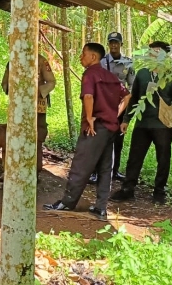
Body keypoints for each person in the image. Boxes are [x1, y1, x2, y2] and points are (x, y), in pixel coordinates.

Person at [44, 43, 131, 220]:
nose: (81, 58)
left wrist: (90, 117)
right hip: (110, 128)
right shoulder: (110, 76)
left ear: (93, 57)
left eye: (83, 54)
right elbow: (127, 95)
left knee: (81, 165)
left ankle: (67, 203)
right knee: (105, 168)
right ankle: (101, 207)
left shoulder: (90, 74)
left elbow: (89, 96)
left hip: (95, 128)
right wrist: (115, 114)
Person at [110, 41, 172, 205]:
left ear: (165, 55)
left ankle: (159, 191)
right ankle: (128, 189)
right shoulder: (142, 74)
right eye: (151, 51)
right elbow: (134, 98)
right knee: (135, 157)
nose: (153, 54)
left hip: (163, 126)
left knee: (163, 158)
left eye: (157, 51)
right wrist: (126, 120)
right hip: (142, 124)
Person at [88, 31, 135, 184]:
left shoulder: (128, 63)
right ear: (108, 44)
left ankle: (115, 172)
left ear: (121, 44)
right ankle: (95, 172)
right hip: (101, 107)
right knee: (98, 139)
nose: (113, 45)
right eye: (111, 42)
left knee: (117, 141)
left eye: (116, 42)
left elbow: (132, 84)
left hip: (119, 108)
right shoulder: (100, 62)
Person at [2, 52, 56, 179]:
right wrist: (17, 91)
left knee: (37, 136)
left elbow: (51, 82)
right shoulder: (12, 61)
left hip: (38, 106)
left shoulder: (41, 61)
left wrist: (36, 92)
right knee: (17, 134)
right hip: (18, 106)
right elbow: (5, 83)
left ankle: (35, 171)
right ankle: (17, 169)